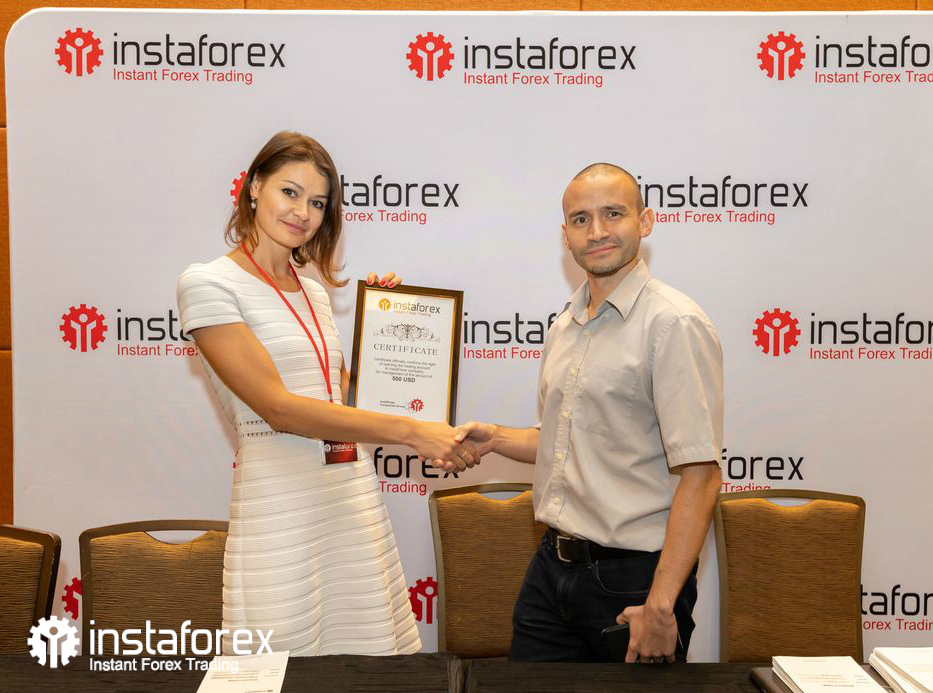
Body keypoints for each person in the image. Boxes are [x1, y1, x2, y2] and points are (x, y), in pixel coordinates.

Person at [176, 131, 480, 656]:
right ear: (254, 187)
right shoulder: (208, 283)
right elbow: (278, 408)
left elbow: (335, 399)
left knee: (366, 659)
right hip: (280, 501)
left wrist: (386, 325)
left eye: (317, 202)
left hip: (349, 494)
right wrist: (411, 431)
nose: (303, 213)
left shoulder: (314, 291)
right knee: (280, 662)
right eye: (289, 192)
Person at [453, 163, 723, 663]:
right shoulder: (565, 325)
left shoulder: (673, 323)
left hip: (635, 581)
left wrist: (661, 604)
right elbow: (560, 442)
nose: (596, 231)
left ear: (645, 221)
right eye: (581, 219)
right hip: (549, 569)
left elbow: (701, 475)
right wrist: (494, 439)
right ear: (565, 235)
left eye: (612, 214)